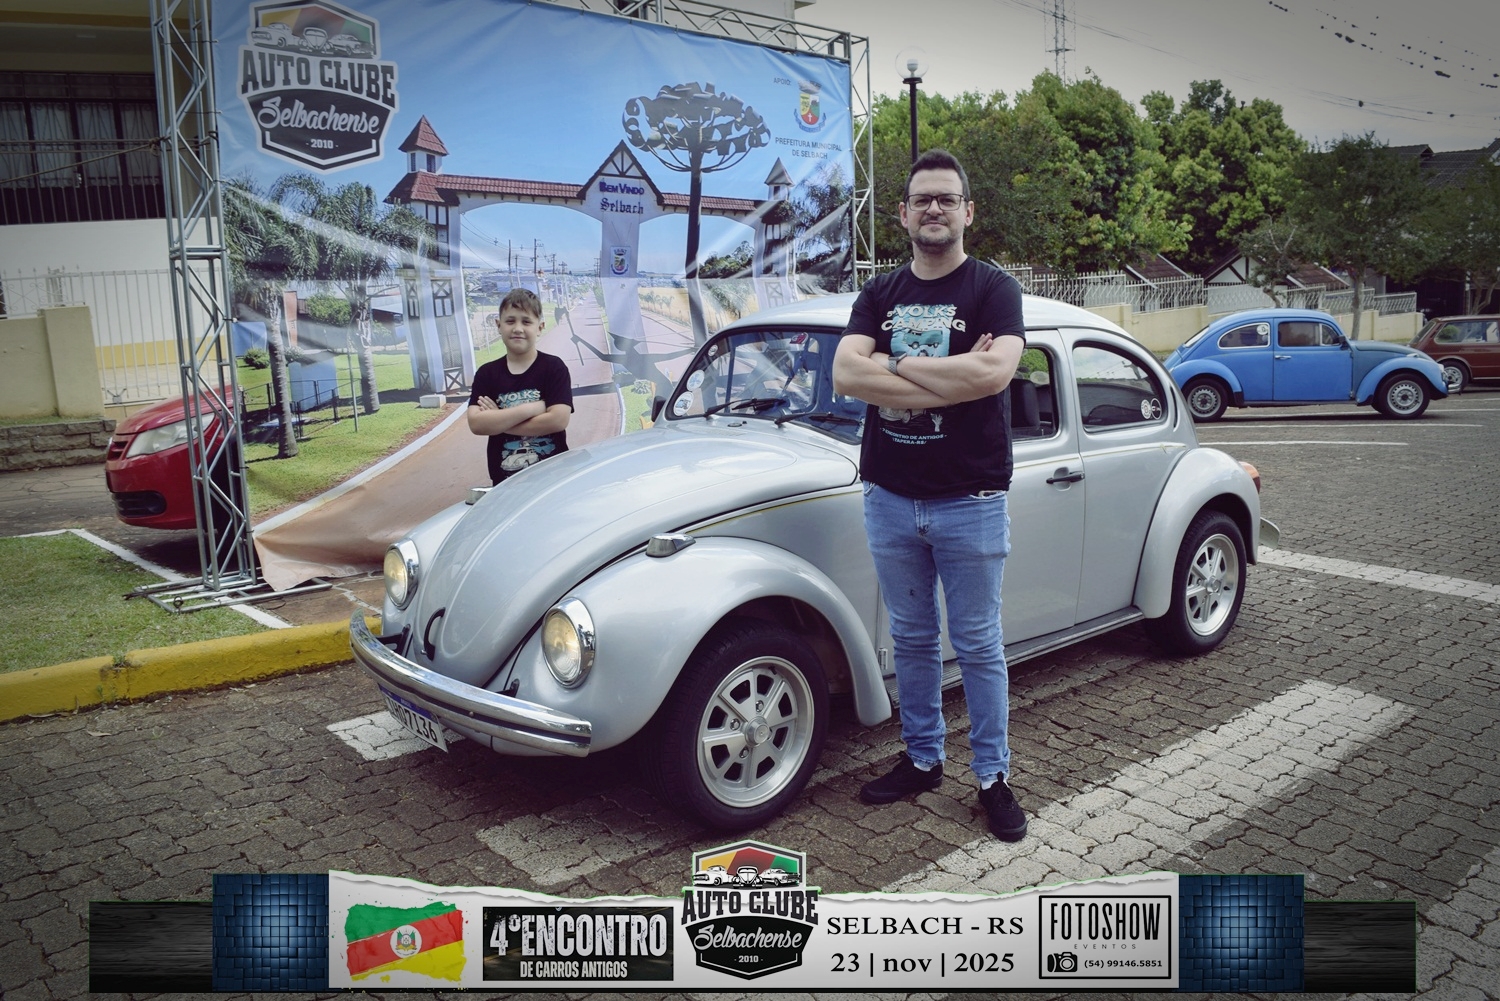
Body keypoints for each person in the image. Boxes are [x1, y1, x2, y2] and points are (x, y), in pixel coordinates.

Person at [831, 149, 1028, 841]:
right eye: (923, 199)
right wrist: (951, 371)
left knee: (977, 642)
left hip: (971, 498)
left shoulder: (994, 288)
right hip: (890, 496)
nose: (934, 209)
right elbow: (845, 375)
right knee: (912, 638)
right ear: (904, 214)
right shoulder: (879, 293)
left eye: (947, 198)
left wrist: (893, 364)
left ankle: (993, 776)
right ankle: (922, 758)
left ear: (967, 211)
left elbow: (994, 375)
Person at [468, 288, 573, 486]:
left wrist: (498, 420)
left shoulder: (553, 368)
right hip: (505, 482)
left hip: (555, 480)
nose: (517, 328)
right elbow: (477, 424)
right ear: (498, 325)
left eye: (526, 322)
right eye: (510, 321)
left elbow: (558, 420)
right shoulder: (487, 374)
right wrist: (533, 408)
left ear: (540, 327)